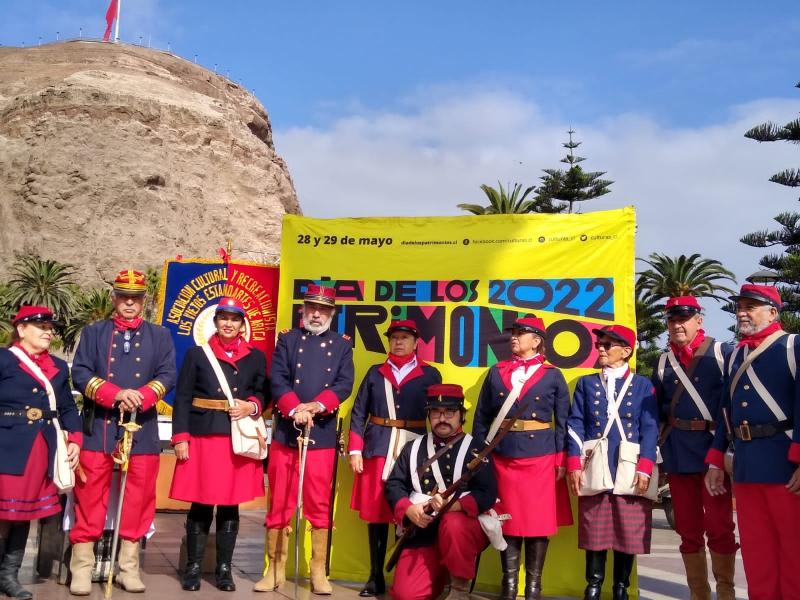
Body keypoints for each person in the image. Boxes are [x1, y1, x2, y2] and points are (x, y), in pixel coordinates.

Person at [69, 269, 176, 596]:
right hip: (99, 426)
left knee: (140, 496)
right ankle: (82, 568)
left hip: (141, 427)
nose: (129, 303)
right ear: (115, 298)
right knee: (89, 495)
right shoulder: (94, 333)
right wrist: (114, 393)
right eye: (124, 297)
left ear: (143, 301)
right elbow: (80, 373)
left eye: (136, 298)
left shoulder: (160, 336)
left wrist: (141, 397)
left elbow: (168, 374)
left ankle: (129, 567)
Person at [254, 284, 354, 595]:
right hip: (287, 432)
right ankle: (276, 568)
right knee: (280, 500)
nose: (316, 313)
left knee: (318, 502)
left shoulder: (341, 346)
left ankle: (318, 571)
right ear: (303, 309)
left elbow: (344, 383)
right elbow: (278, 377)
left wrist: (316, 405)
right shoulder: (287, 340)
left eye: (323, 309)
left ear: (332, 313)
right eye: (311, 307)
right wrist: (295, 407)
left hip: (320, 434)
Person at [705, 284, 800, 600]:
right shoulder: (735, 356)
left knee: (794, 549)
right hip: (746, 465)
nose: (742, 312)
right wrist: (716, 460)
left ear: (773, 312)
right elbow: (725, 412)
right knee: (757, 551)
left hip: (785, 466)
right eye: (740, 306)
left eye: (751, 306)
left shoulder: (792, 347)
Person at [169, 297, 267, 592]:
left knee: (229, 505)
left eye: (234, 319)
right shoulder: (197, 355)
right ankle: (194, 567)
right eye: (223, 317)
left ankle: (224, 569)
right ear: (215, 322)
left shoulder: (256, 357)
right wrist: (180, 438)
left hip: (235, 439)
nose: (228, 323)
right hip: (202, 435)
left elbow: (263, 392)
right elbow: (182, 397)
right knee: (200, 503)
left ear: (242, 324)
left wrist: (251, 406)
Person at [472, 316, 571, 600]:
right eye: (513, 333)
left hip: (540, 454)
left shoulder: (552, 374)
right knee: (509, 520)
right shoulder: (497, 371)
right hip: (504, 453)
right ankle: (510, 584)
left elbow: (562, 421)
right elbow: (482, 416)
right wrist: (481, 453)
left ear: (536, 340)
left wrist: (561, 458)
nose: (514, 337)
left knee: (537, 523)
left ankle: (534, 587)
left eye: (520, 333)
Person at [348, 319, 441, 597]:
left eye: (404, 337)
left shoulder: (429, 374)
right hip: (378, 447)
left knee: (408, 512)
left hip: (414, 449)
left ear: (415, 343)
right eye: (394, 337)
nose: (398, 342)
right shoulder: (376, 373)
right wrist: (355, 449)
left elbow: (439, 416)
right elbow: (358, 412)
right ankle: (375, 575)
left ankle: (403, 576)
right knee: (378, 515)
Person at [566, 325, 658, 600]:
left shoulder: (644, 385)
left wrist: (646, 467)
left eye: (608, 345)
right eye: (600, 345)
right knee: (595, 528)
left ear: (626, 351)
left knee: (627, 531)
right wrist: (573, 463)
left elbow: (650, 428)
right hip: (595, 466)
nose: (601, 349)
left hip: (629, 466)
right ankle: (593, 586)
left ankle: (622, 588)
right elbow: (575, 424)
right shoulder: (587, 383)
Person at [653, 296, 736, 600]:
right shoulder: (663, 362)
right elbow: (657, 413)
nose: (677, 326)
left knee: (720, 526)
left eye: (683, 319)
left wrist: (724, 450)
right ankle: (698, 594)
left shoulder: (722, 352)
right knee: (687, 529)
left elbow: (730, 406)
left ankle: (725, 593)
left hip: (712, 452)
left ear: (698, 320)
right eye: (672, 321)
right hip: (677, 453)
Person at [384, 383, 497, 600]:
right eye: (436, 412)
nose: (442, 418)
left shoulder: (477, 450)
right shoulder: (413, 448)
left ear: (461, 415)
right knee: (405, 595)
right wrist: (408, 510)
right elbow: (394, 485)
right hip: (424, 531)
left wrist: (451, 506)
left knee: (453, 524)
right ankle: (440, 572)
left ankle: (459, 590)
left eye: (449, 412)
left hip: (462, 532)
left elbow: (487, 493)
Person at [0, 306, 82, 600]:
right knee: (2, 512)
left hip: (41, 448)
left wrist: (75, 438)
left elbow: (68, 407)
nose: (48, 332)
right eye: (41, 326)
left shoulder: (59, 367)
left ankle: (8, 576)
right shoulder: (4, 359)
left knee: (24, 513)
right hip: (6, 444)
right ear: (21, 330)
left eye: (50, 327)